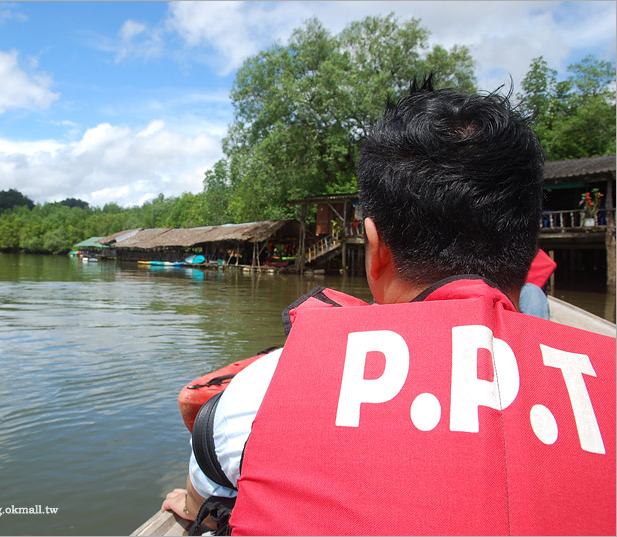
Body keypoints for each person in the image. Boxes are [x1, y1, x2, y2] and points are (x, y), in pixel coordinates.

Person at [162, 78, 615, 535]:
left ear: (375, 249)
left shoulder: (258, 394)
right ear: (528, 245)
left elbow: (201, 495)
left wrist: (189, 503)